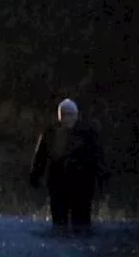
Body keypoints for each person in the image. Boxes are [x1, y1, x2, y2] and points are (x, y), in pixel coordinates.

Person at [28, 98, 106, 232]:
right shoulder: (51, 134)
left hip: (81, 186)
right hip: (60, 185)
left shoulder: (86, 134)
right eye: (65, 114)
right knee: (61, 223)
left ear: (76, 116)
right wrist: (35, 175)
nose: (67, 118)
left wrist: (101, 176)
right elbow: (41, 157)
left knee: (80, 223)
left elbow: (97, 157)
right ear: (60, 116)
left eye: (70, 114)